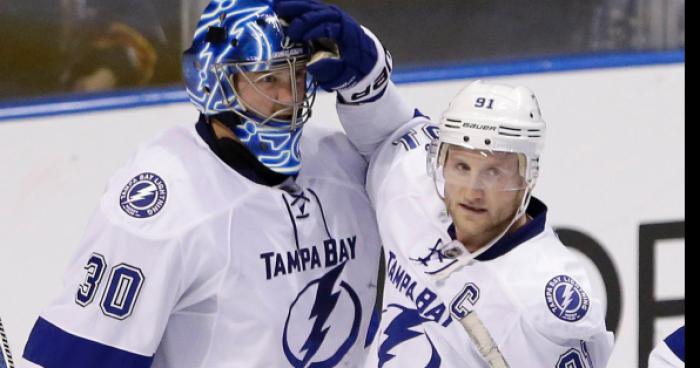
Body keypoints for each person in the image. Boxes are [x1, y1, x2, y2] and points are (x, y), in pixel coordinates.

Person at [20, 0, 394, 366]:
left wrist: (373, 86)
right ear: (217, 84)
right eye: (268, 79)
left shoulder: (344, 163)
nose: (290, 98)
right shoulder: (163, 205)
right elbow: (83, 357)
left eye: (296, 74)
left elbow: (434, 192)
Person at [327, 79, 616, 366]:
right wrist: (362, 74)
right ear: (440, 162)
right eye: (462, 167)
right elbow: (388, 133)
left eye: (493, 173)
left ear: (527, 178)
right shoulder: (413, 190)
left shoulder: (543, 300)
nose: (472, 191)